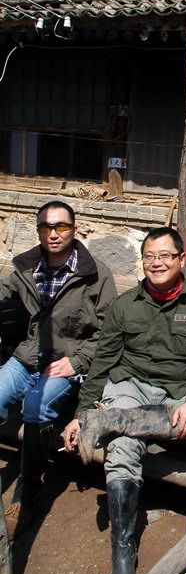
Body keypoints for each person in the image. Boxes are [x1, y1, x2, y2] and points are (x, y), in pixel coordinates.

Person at [63, 227, 186, 574]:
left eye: (166, 255)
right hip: (130, 387)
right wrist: (83, 413)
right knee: (121, 450)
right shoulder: (125, 305)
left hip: (177, 394)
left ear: (181, 260)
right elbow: (102, 362)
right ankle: (122, 550)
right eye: (150, 256)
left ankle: (117, 422)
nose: (157, 262)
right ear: (143, 262)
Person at [0, 200, 116, 539]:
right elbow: (5, 291)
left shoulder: (95, 273)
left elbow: (108, 332)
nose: (54, 233)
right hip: (27, 358)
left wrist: (78, 361)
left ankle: (28, 492)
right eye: (46, 227)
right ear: (39, 231)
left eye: (61, 226)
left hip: (66, 364)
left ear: (74, 229)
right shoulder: (27, 267)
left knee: (36, 407)